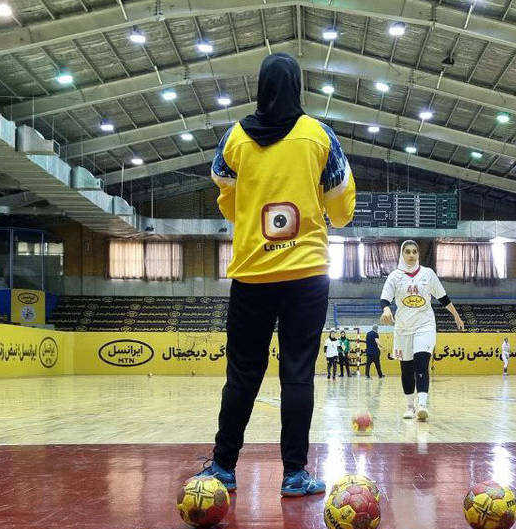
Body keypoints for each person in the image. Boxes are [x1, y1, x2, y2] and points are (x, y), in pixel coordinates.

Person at [195, 51, 356, 498]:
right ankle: (294, 474)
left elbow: (224, 192)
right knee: (298, 374)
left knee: (242, 374)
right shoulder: (319, 136)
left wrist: (247, 214)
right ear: (297, 87)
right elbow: (342, 204)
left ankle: (223, 467)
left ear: (261, 87)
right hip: (307, 274)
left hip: (251, 273)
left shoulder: (234, 138)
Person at [379, 240, 465, 421]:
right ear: (402, 254)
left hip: (425, 324)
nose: (411, 255)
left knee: (421, 362)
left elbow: (443, 297)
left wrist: (456, 316)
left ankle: (422, 405)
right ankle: (410, 407)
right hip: (403, 328)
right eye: (407, 252)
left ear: (418, 254)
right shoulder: (395, 276)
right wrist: (386, 309)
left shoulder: (428, 274)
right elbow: (385, 298)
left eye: (414, 251)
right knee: (406, 369)